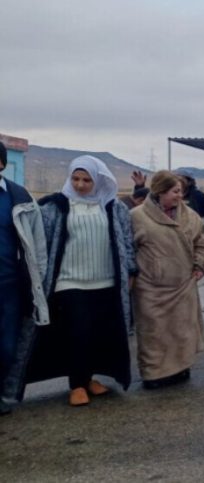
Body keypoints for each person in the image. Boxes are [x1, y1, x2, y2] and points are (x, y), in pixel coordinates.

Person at [30, 155, 135, 406]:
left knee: (98, 333)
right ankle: (76, 384)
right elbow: (41, 241)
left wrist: (131, 271)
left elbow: (127, 241)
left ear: (98, 181)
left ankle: (89, 379)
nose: (80, 184)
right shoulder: (55, 207)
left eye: (87, 180)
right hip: (70, 282)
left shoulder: (113, 207)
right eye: (75, 178)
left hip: (106, 282)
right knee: (78, 332)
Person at [131, 171, 204, 389]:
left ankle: (181, 368)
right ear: (160, 191)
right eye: (175, 191)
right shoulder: (137, 216)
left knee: (181, 331)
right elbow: (128, 249)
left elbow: (201, 243)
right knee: (153, 333)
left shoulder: (190, 216)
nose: (180, 196)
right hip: (149, 287)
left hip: (183, 284)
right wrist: (132, 275)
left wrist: (199, 265)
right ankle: (153, 374)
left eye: (181, 191)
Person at [0, 141, 49, 415]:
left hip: (10, 287)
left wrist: (38, 280)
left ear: (1, 164)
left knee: (8, 347)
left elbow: (37, 245)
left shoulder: (19, 197)